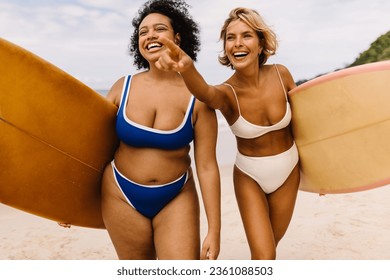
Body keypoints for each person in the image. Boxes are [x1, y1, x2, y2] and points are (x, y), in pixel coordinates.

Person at [156, 7, 300, 259]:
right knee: (265, 256)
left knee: (268, 254)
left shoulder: (281, 74)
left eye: (246, 36)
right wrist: (186, 68)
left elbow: (307, 126)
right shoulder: (226, 93)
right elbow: (204, 93)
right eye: (230, 38)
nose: (237, 44)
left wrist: (323, 174)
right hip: (250, 176)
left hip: (289, 171)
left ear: (260, 43)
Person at [101, 0, 221, 260]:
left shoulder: (197, 98)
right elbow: (91, 148)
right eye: (143, 32)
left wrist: (214, 229)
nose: (151, 36)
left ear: (177, 37)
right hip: (120, 193)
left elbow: (208, 167)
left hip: (176, 196)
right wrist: (66, 203)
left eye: (159, 29)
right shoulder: (122, 87)